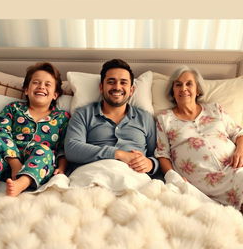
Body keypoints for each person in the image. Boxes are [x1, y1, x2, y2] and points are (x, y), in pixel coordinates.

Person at [155, 65, 243, 210]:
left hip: (234, 168)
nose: (183, 88)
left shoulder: (215, 109)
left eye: (189, 83)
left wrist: (240, 150)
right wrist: (172, 176)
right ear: (173, 91)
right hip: (201, 182)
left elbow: (238, 133)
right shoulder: (165, 119)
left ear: (198, 90)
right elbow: (162, 154)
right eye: (178, 84)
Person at [0, 62, 70, 197]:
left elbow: (64, 147)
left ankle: (21, 183)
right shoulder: (13, 108)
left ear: (55, 94)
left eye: (47, 84)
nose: (41, 86)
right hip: (5, 163)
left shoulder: (62, 117)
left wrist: (62, 167)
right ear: (26, 89)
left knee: (45, 151)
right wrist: (15, 164)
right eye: (36, 82)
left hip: (39, 167)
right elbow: (1, 131)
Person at [65, 59, 158, 176]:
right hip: (92, 175)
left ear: (131, 90)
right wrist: (118, 154)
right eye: (111, 82)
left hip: (133, 177)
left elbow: (157, 154)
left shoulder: (145, 118)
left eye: (123, 82)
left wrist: (151, 163)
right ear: (101, 87)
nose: (117, 87)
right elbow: (72, 149)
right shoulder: (83, 114)